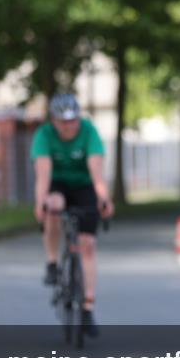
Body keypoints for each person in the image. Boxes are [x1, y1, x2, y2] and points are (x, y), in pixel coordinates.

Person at [31, 93, 114, 336]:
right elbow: (43, 176)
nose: (69, 126)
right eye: (63, 121)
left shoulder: (89, 132)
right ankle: (53, 262)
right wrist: (40, 203)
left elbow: (97, 173)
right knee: (54, 205)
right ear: (54, 121)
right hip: (57, 184)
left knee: (88, 245)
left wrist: (104, 198)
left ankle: (88, 307)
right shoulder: (44, 136)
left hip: (84, 185)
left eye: (73, 120)